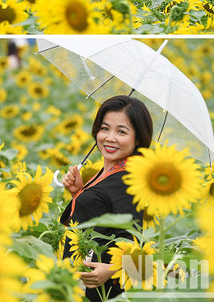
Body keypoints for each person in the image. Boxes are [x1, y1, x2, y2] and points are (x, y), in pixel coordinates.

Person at [59, 96, 154, 302]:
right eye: (105, 128)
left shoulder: (129, 180)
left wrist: (111, 269)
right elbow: (102, 214)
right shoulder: (110, 170)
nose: (110, 138)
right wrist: (78, 192)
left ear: (138, 138)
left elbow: (134, 241)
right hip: (81, 280)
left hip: (101, 290)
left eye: (121, 132)